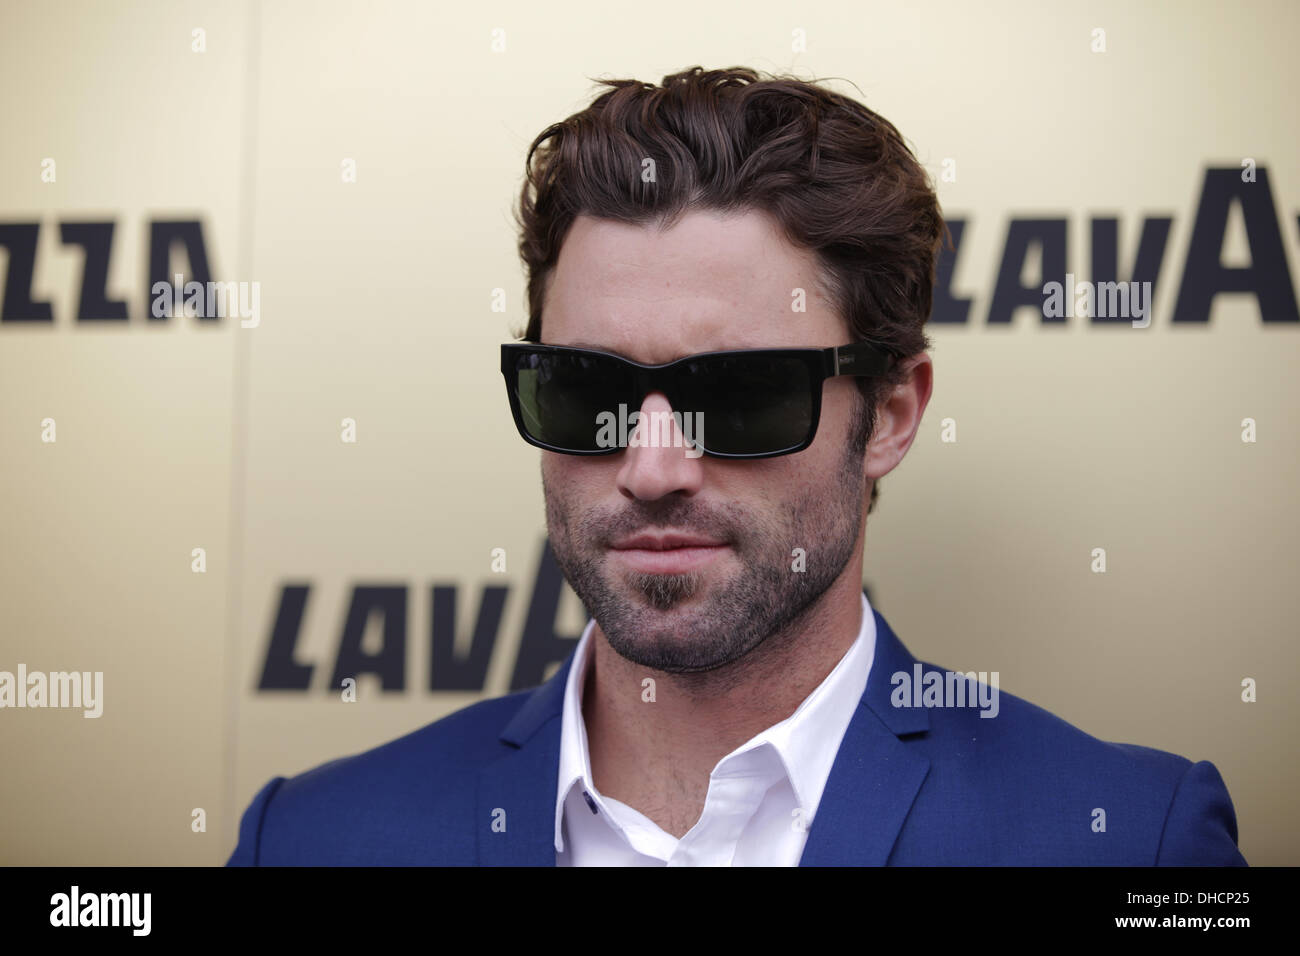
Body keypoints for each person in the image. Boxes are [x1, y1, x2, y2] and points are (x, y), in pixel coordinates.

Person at [228, 66, 1246, 866]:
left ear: (889, 414)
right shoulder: (317, 839)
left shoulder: (1122, 837)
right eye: (588, 389)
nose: (654, 465)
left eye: (740, 396)